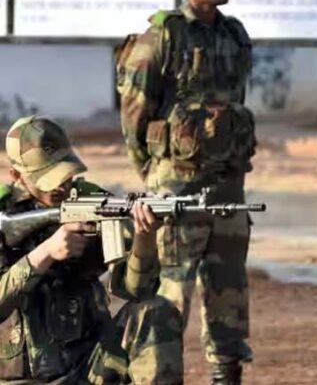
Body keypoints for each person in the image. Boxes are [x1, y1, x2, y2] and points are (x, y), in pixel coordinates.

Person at [115, 0, 255, 384]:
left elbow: (235, 104)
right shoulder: (163, 37)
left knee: (229, 291)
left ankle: (226, 374)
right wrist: (155, 172)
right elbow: (134, 115)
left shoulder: (234, 35)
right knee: (171, 293)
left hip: (228, 185)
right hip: (177, 187)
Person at [0, 115, 182, 384]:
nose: (62, 185)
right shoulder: (5, 216)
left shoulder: (93, 201)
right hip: (22, 378)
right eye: (48, 178)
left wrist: (145, 234)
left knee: (156, 311)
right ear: (16, 175)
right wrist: (45, 253)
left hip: (90, 366)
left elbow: (137, 291)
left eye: (65, 174)